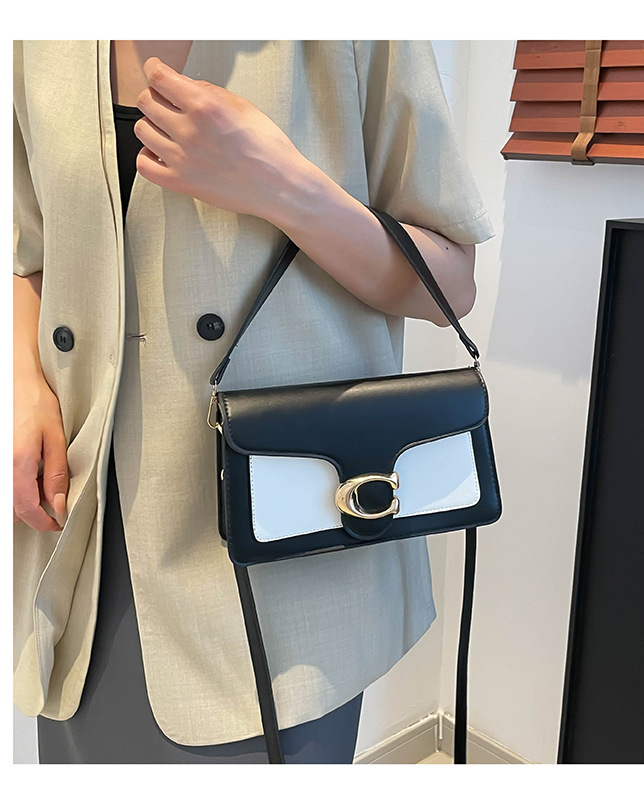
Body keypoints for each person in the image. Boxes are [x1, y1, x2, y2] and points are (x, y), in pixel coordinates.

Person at [13, 39, 495, 763]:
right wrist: (23, 389)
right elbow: (32, 255)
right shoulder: (37, 41)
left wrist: (282, 186)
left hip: (281, 547)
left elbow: (451, 284)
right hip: (79, 528)